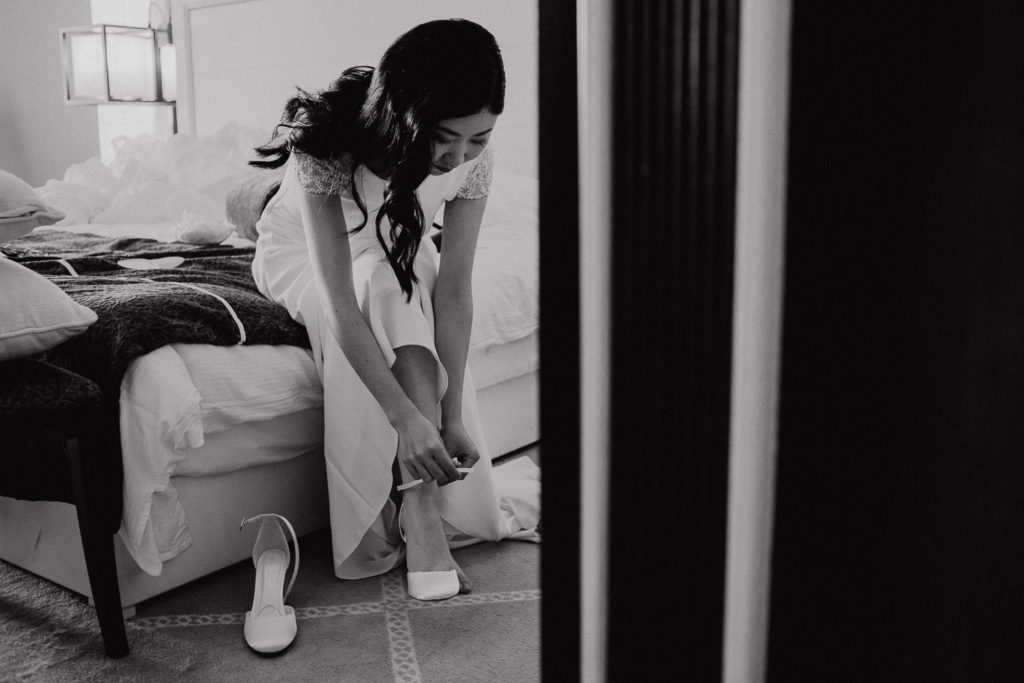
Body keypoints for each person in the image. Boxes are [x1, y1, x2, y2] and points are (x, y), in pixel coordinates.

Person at [250, 19, 537, 600]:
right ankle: (422, 511)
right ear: (406, 118)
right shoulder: (326, 144)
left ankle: (418, 506)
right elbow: (337, 302)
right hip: (303, 256)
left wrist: (451, 417)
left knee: (400, 284)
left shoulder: (471, 163)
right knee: (382, 285)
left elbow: (454, 290)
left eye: (479, 139)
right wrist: (405, 420)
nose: (459, 156)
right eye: (444, 138)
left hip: (396, 246)